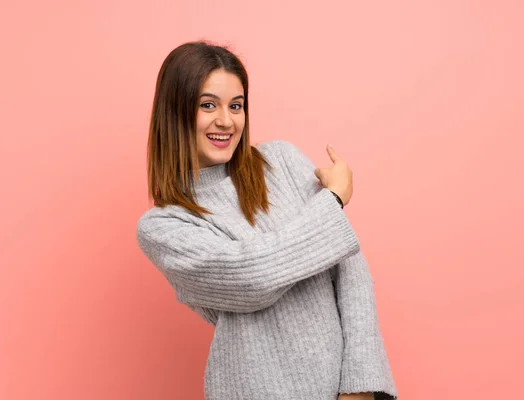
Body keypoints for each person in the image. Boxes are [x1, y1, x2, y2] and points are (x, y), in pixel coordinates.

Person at [136, 40, 397, 400]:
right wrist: (332, 201)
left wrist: (361, 385)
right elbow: (252, 279)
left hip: (344, 388)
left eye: (236, 106)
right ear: (175, 110)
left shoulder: (282, 161)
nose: (226, 121)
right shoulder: (164, 226)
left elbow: (350, 271)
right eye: (207, 105)